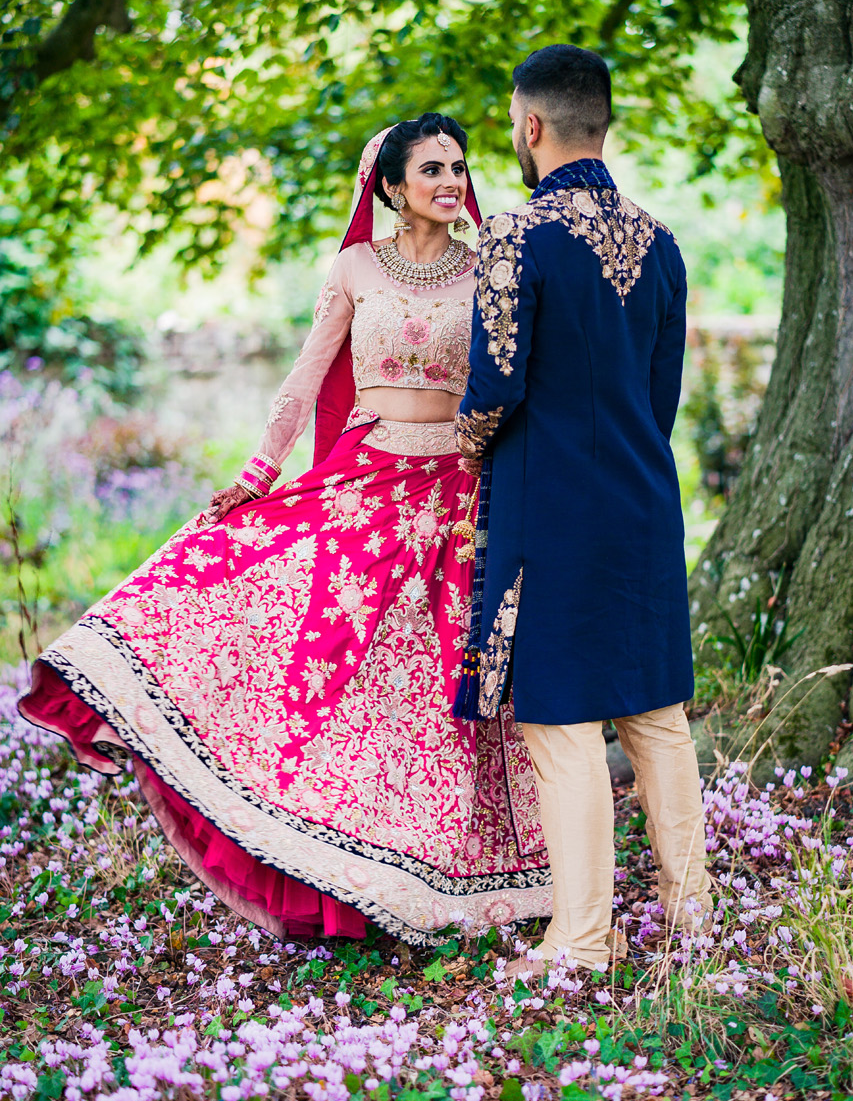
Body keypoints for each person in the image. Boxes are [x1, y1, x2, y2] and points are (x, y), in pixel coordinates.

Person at [19, 113, 552, 947]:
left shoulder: (491, 268)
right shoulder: (355, 268)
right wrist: (255, 477)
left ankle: (436, 873)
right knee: (334, 670)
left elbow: (518, 381)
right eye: (432, 170)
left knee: (431, 690)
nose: (451, 181)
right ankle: (337, 879)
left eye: (458, 167)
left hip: (457, 492)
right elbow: (302, 385)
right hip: (362, 485)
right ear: (390, 186)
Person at [454, 47, 712, 974]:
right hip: (642, 503)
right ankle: (690, 916)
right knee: (655, 713)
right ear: (600, 123)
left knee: (562, 727)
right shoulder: (662, 241)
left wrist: (467, 446)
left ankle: (581, 940)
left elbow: (492, 388)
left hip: (548, 511)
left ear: (529, 127)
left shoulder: (515, 238)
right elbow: (661, 391)